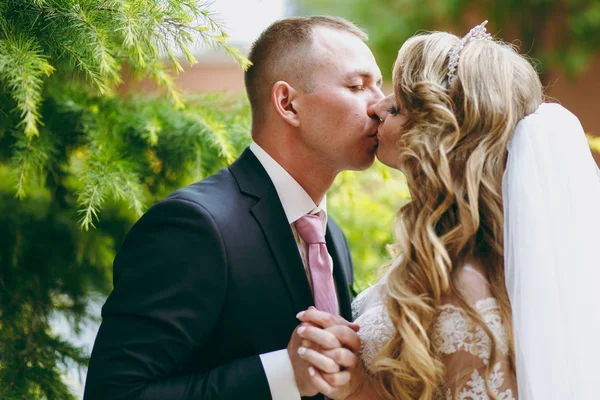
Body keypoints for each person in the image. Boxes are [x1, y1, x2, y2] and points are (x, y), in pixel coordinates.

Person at [83, 16, 384, 400]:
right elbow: (114, 393)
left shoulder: (329, 235)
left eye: (378, 85)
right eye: (357, 86)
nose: (380, 105)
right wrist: (284, 374)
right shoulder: (193, 227)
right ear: (288, 104)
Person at [295, 21, 600, 399]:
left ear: (438, 136)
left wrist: (358, 382)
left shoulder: (466, 284)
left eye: (399, 105)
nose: (375, 106)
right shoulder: (450, 255)